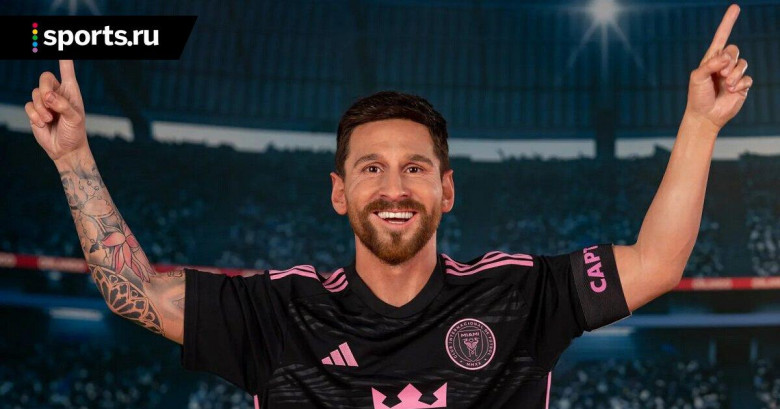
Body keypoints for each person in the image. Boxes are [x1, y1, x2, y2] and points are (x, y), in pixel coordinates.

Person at [23, 4, 751, 408]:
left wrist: (700, 124)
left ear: (446, 189)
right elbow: (134, 290)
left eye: (415, 168)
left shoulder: (520, 294)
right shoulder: (276, 312)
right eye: (371, 168)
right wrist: (73, 155)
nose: (395, 188)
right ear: (339, 192)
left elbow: (657, 263)